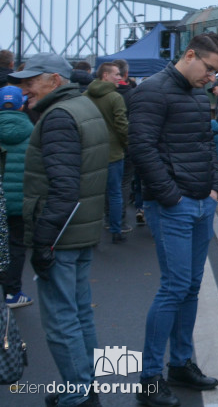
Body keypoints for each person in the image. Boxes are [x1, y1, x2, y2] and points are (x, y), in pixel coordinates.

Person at [129, 34, 218, 406]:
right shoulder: (152, 91)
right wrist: (171, 196)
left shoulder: (196, 94)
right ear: (189, 55)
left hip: (200, 202)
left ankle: (180, 364)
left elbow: (205, 143)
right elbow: (140, 147)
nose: (212, 78)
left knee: (189, 288)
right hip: (175, 205)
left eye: (216, 72)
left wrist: (214, 188)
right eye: (209, 69)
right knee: (175, 287)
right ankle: (150, 378)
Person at [12, 53, 109, 407]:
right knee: (80, 313)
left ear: (54, 80)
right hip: (80, 231)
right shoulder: (84, 107)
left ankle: (78, 394)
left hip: (61, 235)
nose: (24, 89)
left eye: (30, 81)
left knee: (60, 320)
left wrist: (43, 243)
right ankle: (85, 385)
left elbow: (63, 189)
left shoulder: (58, 117)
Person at [86, 63, 130, 243]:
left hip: (91, 152)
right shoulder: (114, 97)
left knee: (92, 195)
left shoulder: (85, 96)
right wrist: (126, 143)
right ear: (105, 75)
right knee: (115, 193)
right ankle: (116, 230)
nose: (120, 78)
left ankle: (90, 233)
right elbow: (122, 125)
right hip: (113, 152)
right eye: (117, 74)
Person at [0, 85, 35, 308]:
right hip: (19, 198)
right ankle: (13, 293)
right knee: (16, 244)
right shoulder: (31, 130)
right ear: (22, 104)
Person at [113, 59, 143, 226]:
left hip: (108, 147)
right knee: (127, 182)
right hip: (129, 144)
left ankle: (111, 218)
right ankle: (120, 220)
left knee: (112, 185)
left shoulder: (100, 95)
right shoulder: (133, 95)